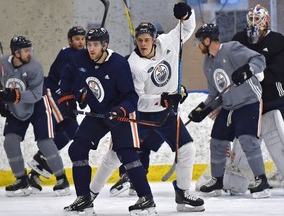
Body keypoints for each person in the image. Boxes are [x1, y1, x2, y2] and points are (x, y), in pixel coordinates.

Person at [89, 2, 205, 213]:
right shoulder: (134, 65)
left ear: (154, 39)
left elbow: (187, 28)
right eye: (140, 40)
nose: (143, 44)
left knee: (187, 148)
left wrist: (187, 14)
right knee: (115, 156)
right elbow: (138, 99)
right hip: (139, 116)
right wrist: (165, 98)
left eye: (147, 40)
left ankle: (182, 193)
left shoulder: (168, 42)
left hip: (165, 115)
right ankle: (90, 194)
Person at [59, 27, 157, 215]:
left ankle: (147, 199)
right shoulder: (80, 58)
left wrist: (119, 111)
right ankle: (84, 199)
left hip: (119, 114)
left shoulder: (119, 64)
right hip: (98, 113)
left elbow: (131, 97)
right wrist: (67, 98)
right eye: (89, 44)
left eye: (95, 44)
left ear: (105, 45)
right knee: (77, 148)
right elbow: (68, 75)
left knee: (127, 154)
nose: (91, 49)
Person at [189, 23, 270, 199]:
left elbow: (259, 60)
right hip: (228, 106)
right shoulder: (208, 63)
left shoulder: (232, 49)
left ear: (208, 40)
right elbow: (216, 94)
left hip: (249, 102)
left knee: (248, 141)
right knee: (217, 141)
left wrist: (248, 70)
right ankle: (217, 181)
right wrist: (203, 109)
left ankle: (261, 181)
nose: (198, 46)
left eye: (199, 42)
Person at [0, 36, 69, 197]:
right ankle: (21, 179)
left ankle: (62, 179)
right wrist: (0, 101)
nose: (30, 53)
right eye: (26, 50)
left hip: (38, 107)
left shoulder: (35, 67)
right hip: (16, 109)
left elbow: (36, 95)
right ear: (16, 52)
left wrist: (13, 95)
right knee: (10, 141)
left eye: (30, 50)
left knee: (45, 142)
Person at [27, 26, 86, 194]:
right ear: (69, 41)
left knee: (70, 130)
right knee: (69, 128)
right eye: (76, 39)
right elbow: (69, 78)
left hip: (63, 97)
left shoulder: (83, 55)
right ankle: (41, 158)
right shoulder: (67, 54)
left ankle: (36, 171)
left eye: (82, 38)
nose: (80, 42)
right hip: (53, 93)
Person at [231, 4, 284, 186]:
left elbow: (280, 69)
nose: (254, 24)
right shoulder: (239, 40)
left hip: (273, 100)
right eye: (251, 19)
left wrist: (262, 74)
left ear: (266, 21)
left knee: (279, 138)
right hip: (247, 100)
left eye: (258, 19)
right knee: (244, 140)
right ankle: (236, 177)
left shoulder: (277, 40)